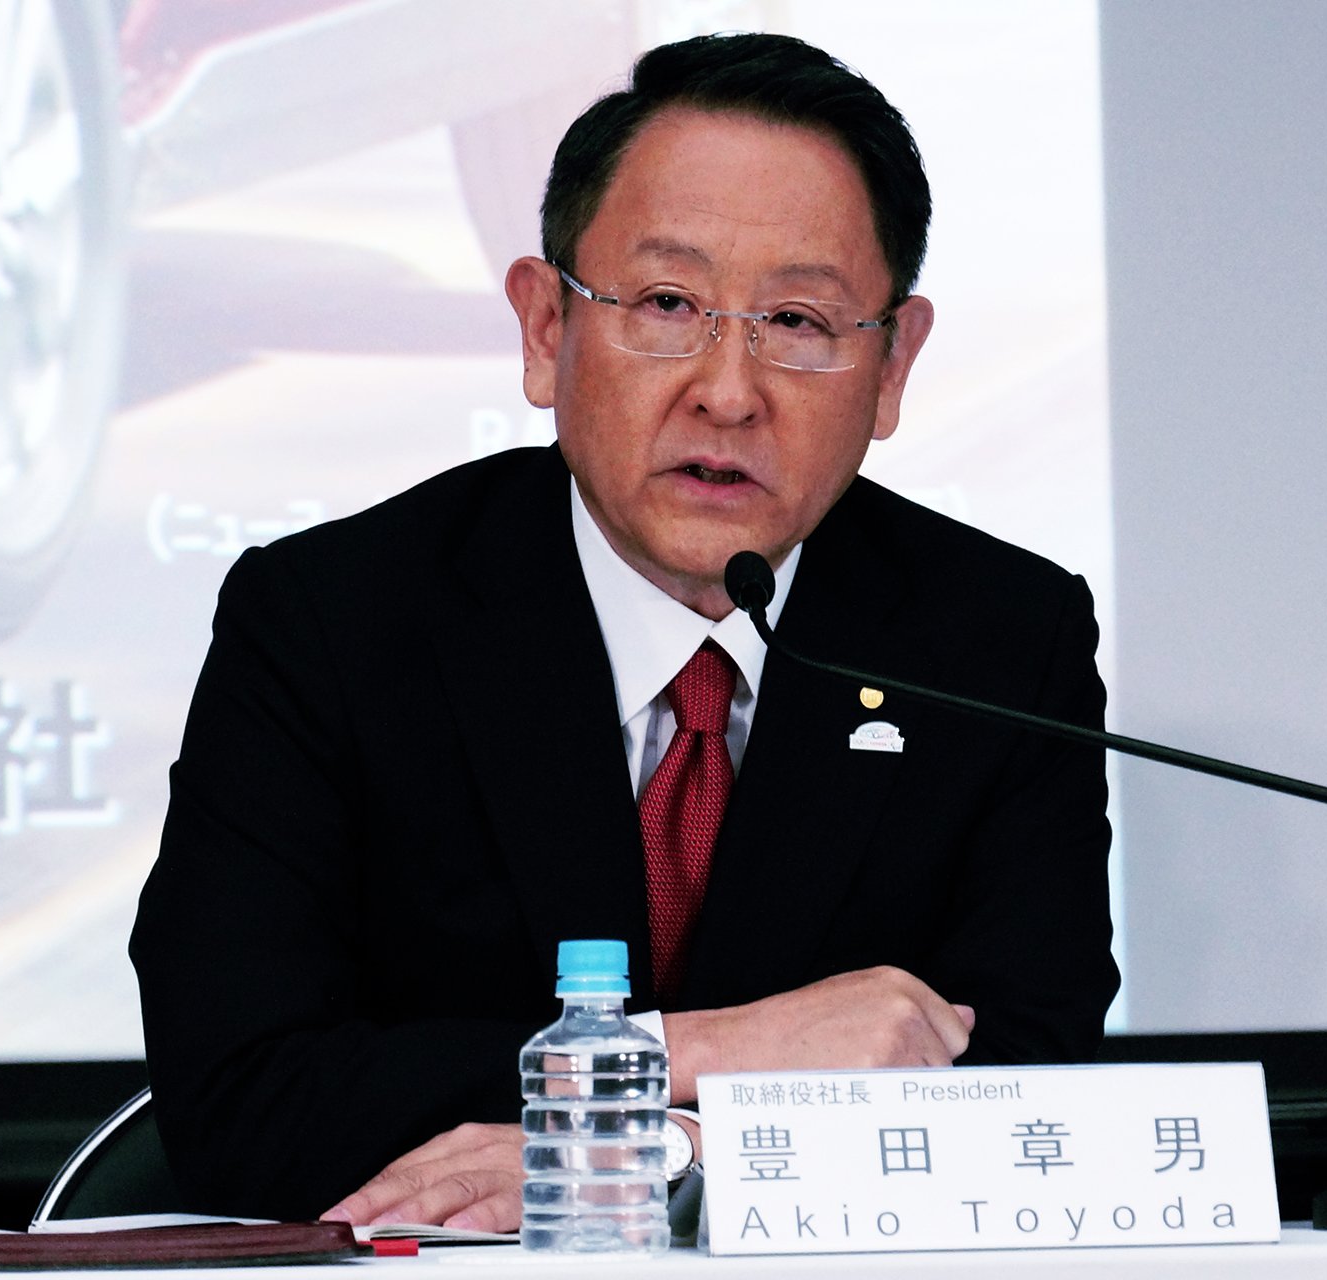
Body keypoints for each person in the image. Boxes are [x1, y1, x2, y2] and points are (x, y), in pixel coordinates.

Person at [130, 31, 1118, 1231]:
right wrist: (711, 1049)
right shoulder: (333, 621)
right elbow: (242, 1100)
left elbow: (1038, 1094)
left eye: (799, 321)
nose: (729, 389)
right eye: (666, 303)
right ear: (546, 328)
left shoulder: (999, 643)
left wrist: (685, 1144)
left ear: (894, 364)